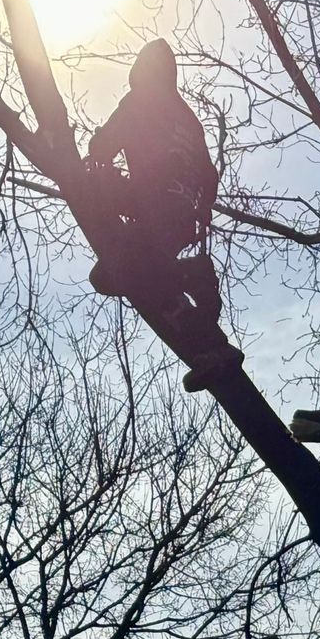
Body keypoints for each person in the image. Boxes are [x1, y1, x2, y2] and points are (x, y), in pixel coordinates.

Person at [85, 40, 239, 384]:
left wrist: (97, 167)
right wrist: (200, 210)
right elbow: (209, 176)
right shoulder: (187, 117)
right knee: (147, 274)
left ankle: (191, 277)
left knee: (111, 274)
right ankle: (204, 337)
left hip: (154, 207)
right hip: (181, 215)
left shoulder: (137, 103)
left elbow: (102, 146)